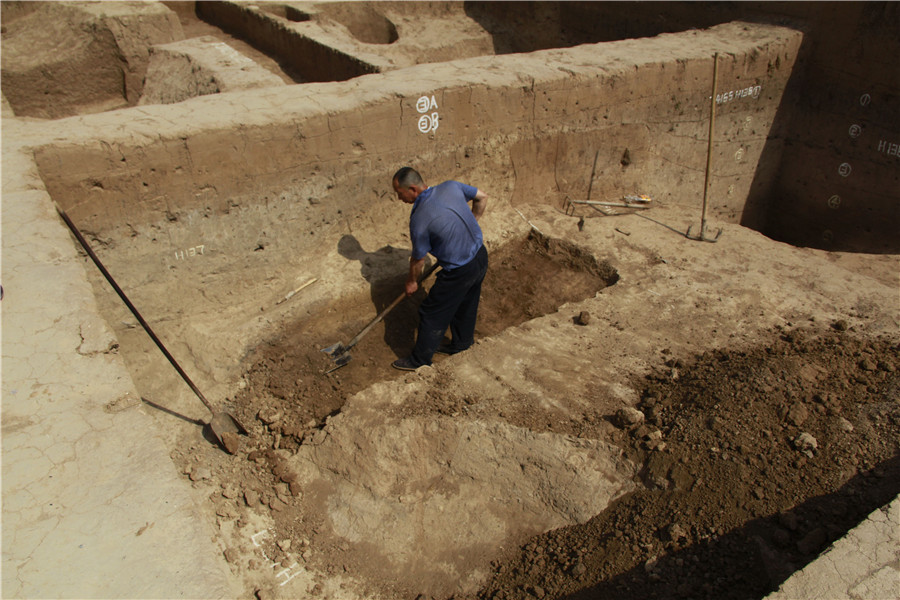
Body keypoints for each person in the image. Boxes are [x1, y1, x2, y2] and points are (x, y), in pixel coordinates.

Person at [390, 167, 489, 371]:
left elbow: (417, 260)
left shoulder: (419, 219)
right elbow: (482, 197)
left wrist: (411, 282)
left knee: (431, 313)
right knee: (466, 304)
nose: (399, 199)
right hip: (480, 255)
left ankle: (419, 360)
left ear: (413, 189)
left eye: (400, 194)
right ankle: (462, 345)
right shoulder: (451, 186)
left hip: (459, 271)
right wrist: (473, 221)